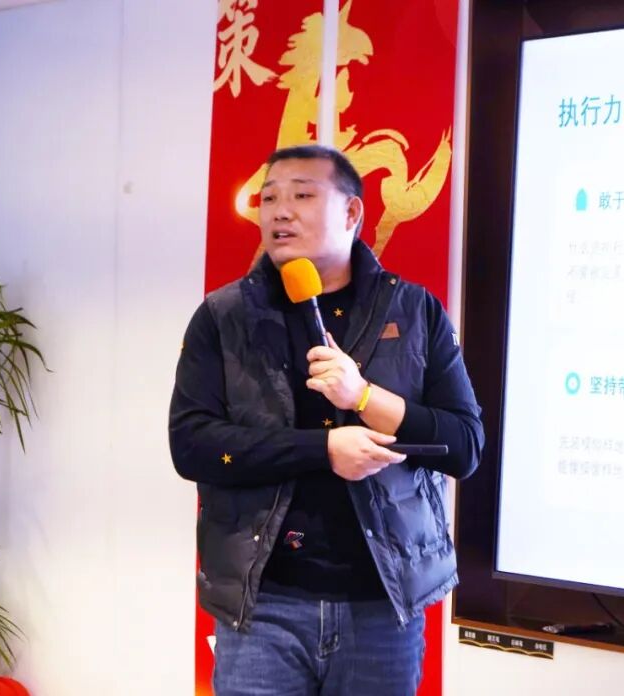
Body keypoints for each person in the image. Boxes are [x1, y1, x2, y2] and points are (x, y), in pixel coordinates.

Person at [169, 144, 483, 695]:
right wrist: (323, 450)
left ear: (352, 212)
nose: (280, 212)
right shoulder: (223, 316)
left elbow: (464, 446)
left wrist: (363, 396)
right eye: (269, 199)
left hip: (381, 605)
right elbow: (192, 445)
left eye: (302, 195)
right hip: (263, 606)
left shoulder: (414, 311)